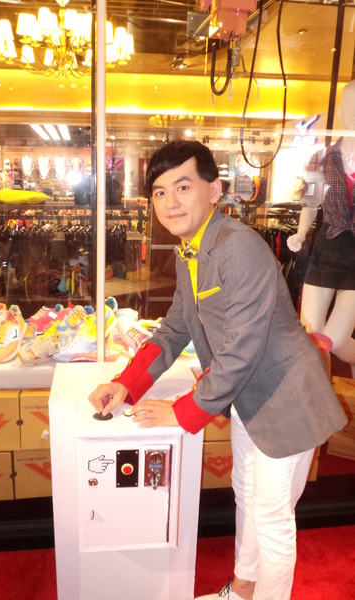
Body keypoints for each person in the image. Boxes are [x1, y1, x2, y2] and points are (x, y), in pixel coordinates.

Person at [88, 140, 347, 600]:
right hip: (249, 398)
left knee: (271, 518)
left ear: (214, 190)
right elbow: (174, 328)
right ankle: (243, 588)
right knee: (245, 492)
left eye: (183, 187)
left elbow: (242, 349)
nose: (170, 202)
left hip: (287, 399)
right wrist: (125, 385)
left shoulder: (237, 246)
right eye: (160, 192)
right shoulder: (190, 250)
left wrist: (183, 411)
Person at [287, 79, 355, 377]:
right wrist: (300, 234)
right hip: (327, 250)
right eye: (350, 107)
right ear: (339, 111)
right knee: (312, 337)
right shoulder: (322, 157)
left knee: (336, 340)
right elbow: (310, 203)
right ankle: (319, 393)